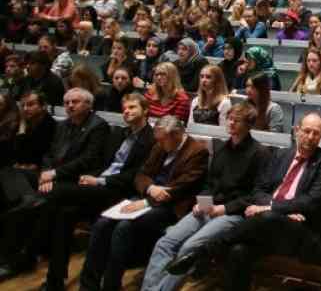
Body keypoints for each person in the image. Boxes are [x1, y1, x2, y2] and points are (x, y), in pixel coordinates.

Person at [163, 113, 321, 290]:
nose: (310, 137)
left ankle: (204, 251)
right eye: (307, 131)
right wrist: (278, 210)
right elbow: (259, 189)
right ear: (297, 130)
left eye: (316, 133)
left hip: (302, 233)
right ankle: (207, 255)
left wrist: (273, 209)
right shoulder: (281, 155)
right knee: (238, 251)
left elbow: (312, 202)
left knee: (269, 217)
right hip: (268, 229)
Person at [29, 93, 155, 291]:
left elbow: (136, 175)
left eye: (132, 108)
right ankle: (55, 281)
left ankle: (32, 245)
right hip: (98, 187)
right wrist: (90, 177)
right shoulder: (120, 134)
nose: (127, 111)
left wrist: (99, 180)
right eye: (124, 108)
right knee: (64, 214)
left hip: (119, 191)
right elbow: (103, 163)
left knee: (53, 193)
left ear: (146, 111)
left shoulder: (151, 139)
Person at [140, 103, 270, 291]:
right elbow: (209, 183)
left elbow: (256, 195)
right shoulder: (223, 149)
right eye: (230, 118)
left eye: (237, 120)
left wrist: (224, 208)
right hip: (208, 207)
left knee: (189, 248)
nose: (231, 123)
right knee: (165, 243)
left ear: (248, 124)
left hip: (232, 214)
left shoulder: (260, 153)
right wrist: (202, 201)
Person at [78, 116, 209, 291]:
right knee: (102, 223)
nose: (160, 143)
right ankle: (88, 285)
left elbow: (181, 188)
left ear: (177, 134)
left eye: (163, 140)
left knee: (123, 227)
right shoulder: (160, 145)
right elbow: (141, 174)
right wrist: (149, 189)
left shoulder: (197, 151)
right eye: (159, 140)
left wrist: (147, 202)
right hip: (148, 197)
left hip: (171, 206)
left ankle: (111, 285)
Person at [0, 88, 110, 278]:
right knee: (9, 173)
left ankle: (22, 257)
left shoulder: (98, 126)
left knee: (35, 202)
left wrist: (55, 174)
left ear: (89, 105)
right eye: (66, 102)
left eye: (75, 102)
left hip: (77, 180)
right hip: (52, 175)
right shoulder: (64, 125)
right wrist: (45, 173)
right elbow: (49, 154)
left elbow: (87, 160)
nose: (69, 105)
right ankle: (26, 202)